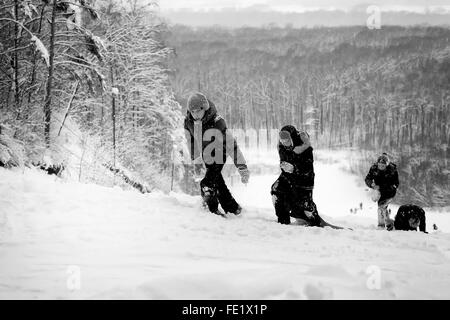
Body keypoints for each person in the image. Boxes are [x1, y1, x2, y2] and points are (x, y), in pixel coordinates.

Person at [184, 92, 250, 216]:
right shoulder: (188, 122)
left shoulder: (217, 122)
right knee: (217, 182)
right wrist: (197, 161)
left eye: (198, 111)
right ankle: (233, 208)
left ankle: (211, 210)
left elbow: (232, 145)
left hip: (219, 153)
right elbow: (191, 142)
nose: (195, 114)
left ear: (205, 108)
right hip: (206, 154)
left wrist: (242, 167)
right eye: (192, 111)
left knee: (207, 183)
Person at [270, 125, 342, 229]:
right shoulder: (281, 146)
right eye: (282, 141)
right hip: (287, 177)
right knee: (276, 190)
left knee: (305, 204)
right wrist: (285, 167)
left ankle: (314, 221)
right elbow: (283, 162)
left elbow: (307, 167)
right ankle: (283, 221)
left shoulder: (304, 147)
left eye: (287, 141)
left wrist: (294, 169)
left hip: (304, 179)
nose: (285, 144)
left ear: (293, 138)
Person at [365, 153, 399, 229]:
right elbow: (367, 178)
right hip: (379, 191)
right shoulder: (374, 168)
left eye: (383, 166)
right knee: (382, 207)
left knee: (381, 207)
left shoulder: (392, 170)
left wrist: (381, 187)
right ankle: (389, 224)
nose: (381, 167)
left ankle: (381, 225)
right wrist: (371, 184)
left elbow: (396, 184)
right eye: (379, 165)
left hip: (390, 192)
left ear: (386, 165)